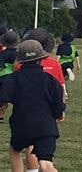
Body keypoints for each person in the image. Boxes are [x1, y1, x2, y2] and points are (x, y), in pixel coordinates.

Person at [0, 40, 65, 172]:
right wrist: (59, 114)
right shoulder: (51, 80)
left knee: (14, 149)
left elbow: (3, 99)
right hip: (46, 127)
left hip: (22, 125)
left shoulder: (12, 79)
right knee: (46, 164)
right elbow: (58, 105)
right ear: (41, 59)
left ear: (20, 60)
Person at [0, 30, 19, 123]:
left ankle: (1, 114)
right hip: (13, 77)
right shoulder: (18, 54)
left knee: (2, 97)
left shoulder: (2, 54)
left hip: (2, 76)